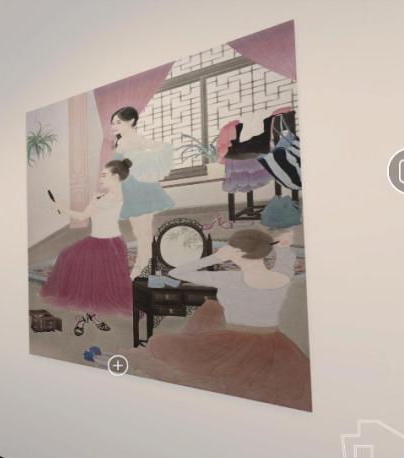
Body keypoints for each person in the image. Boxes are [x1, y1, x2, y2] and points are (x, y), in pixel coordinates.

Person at [128, 229, 311, 411]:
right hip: (275, 343)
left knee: (161, 342)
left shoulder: (230, 278)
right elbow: (285, 259)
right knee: (212, 309)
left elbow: (177, 272)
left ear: (237, 253)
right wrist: (284, 247)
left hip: (235, 342)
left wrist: (215, 258)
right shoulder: (283, 275)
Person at [40, 159, 134, 329]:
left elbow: (83, 216)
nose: (101, 179)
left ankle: (87, 314)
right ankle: (89, 315)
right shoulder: (105, 195)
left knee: (76, 263)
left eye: (104, 175)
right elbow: (88, 212)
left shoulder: (113, 197)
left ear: (115, 177)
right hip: (107, 240)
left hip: (105, 243)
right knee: (71, 259)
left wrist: (60, 208)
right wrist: (93, 199)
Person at [109, 106, 176, 278]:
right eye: (113, 123)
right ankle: (148, 264)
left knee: (142, 230)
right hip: (132, 187)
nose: (114, 126)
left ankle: (143, 267)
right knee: (141, 231)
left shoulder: (132, 139)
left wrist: (142, 165)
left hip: (139, 188)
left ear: (131, 121)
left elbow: (162, 147)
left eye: (118, 122)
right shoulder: (124, 140)